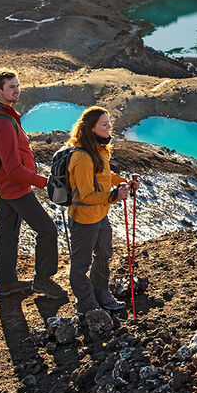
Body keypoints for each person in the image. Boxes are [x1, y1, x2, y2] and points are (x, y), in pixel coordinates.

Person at [0, 69, 66, 299]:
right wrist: (44, 182)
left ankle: (5, 284)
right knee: (47, 231)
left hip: (6, 186)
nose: (17, 90)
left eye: (17, 85)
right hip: (16, 188)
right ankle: (43, 280)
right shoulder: (3, 124)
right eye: (11, 87)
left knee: (7, 233)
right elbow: (14, 169)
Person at [66, 106, 139, 315]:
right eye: (105, 124)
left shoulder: (99, 150)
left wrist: (124, 181)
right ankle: (87, 304)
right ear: (91, 128)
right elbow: (86, 195)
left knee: (104, 255)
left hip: (100, 215)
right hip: (84, 219)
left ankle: (102, 294)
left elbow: (106, 176)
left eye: (109, 123)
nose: (110, 128)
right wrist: (114, 196)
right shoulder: (81, 157)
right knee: (81, 263)